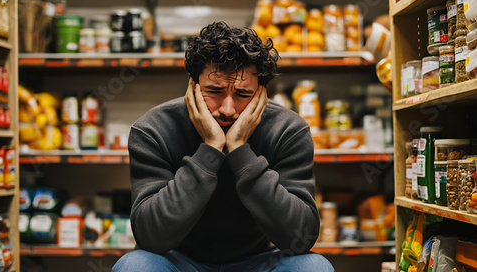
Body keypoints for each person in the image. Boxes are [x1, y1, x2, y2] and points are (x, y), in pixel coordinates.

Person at [112, 21, 334, 272]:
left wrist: (240, 149)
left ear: (261, 92)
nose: (227, 109)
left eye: (242, 94)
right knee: (135, 266)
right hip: (180, 262)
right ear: (192, 85)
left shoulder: (288, 131)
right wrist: (210, 148)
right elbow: (151, 237)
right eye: (214, 91)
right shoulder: (154, 130)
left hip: (259, 262)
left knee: (314, 267)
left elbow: (301, 238)